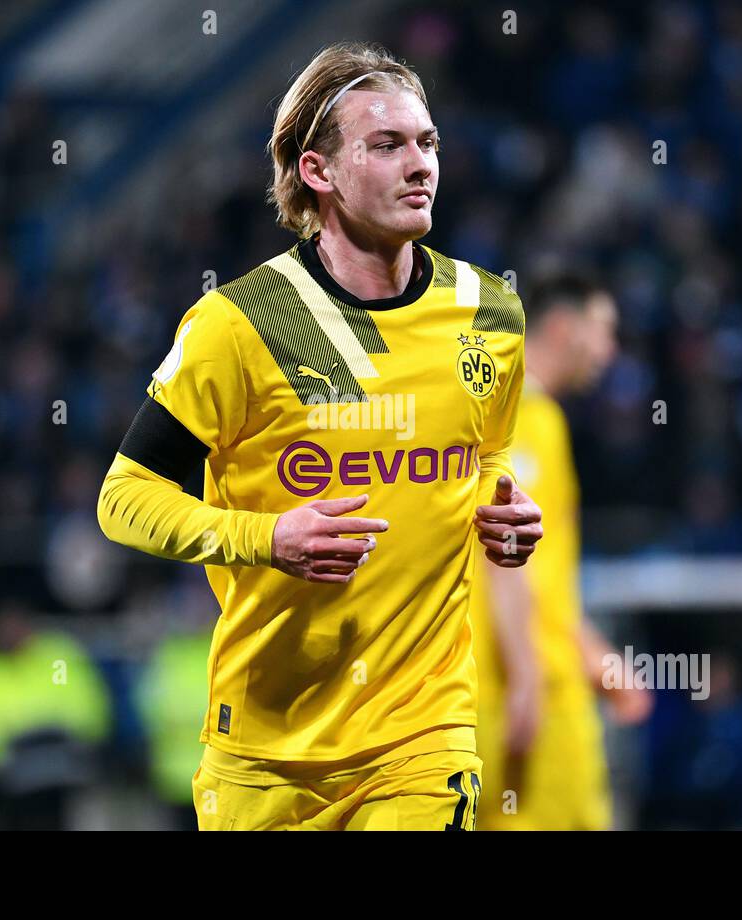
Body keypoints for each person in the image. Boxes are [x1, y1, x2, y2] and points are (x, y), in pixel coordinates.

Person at [97, 41, 542, 830]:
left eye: (428, 142)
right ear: (318, 171)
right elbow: (123, 499)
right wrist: (265, 537)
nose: (421, 165)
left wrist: (502, 511)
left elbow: (486, 453)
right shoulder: (239, 324)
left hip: (423, 734)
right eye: (388, 145)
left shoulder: (490, 312)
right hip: (265, 750)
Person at [471, 273, 652, 830]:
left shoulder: (504, 406)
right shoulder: (526, 414)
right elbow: (501, 547)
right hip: (530, 689)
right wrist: (526, 675)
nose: (610, 350)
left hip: (508, 677)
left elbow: (542, 575)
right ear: (561, 326)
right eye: (603, 331)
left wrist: (595, 655)